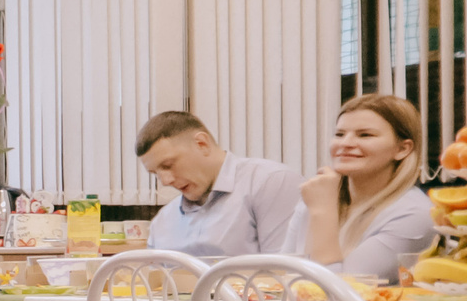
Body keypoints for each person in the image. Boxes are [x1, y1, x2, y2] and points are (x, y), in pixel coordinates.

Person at [299, 93, 434, 279]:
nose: (345, 143)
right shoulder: (319, 195)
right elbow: (278, 275)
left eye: (365, 135)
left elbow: (338, 289)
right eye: (339, 134)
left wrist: (322, 212)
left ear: (402, 149)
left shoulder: (415, 214)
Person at [137, 111, 302, 259]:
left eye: (168, 165)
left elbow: (285, 273)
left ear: (202, 144)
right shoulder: (163, 221)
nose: (165, 181)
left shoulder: (271, 182)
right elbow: (154, 280)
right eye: (155, 173)